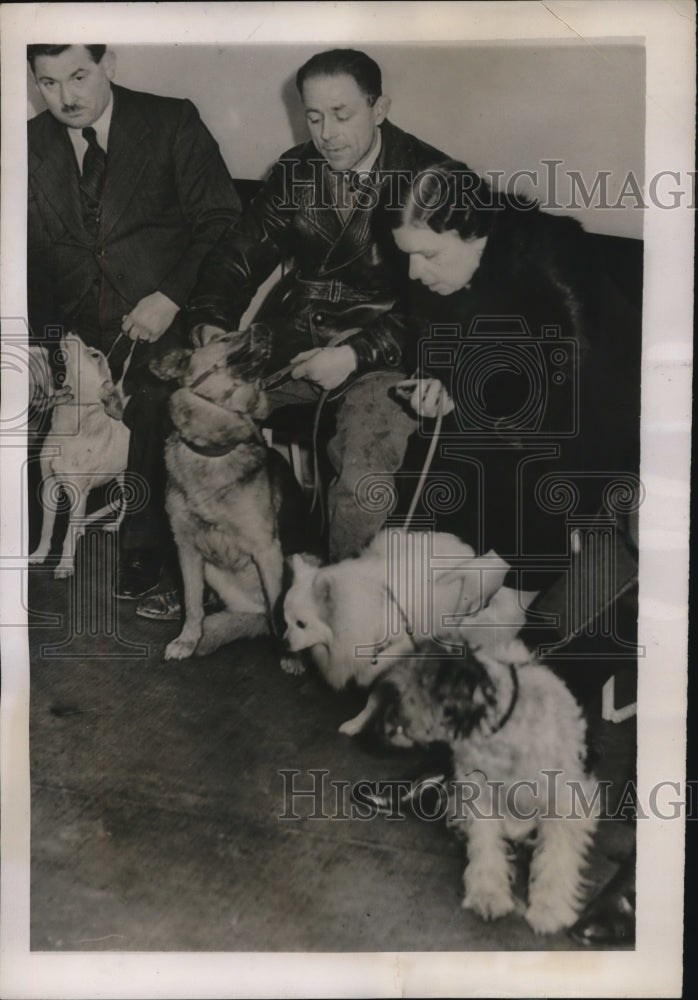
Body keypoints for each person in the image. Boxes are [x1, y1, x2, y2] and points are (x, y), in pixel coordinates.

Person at [390, 160, 641, 945]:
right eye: (405, 253)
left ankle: (549, 758)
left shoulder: (552, 267)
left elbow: (582, 400)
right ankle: (473, 735)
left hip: (601, 463)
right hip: (523, 454)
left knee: (547, 622)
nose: (411, 269)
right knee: (428, 518)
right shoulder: (467, 273)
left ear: (477, 232)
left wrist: (475, 399)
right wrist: (443, 388)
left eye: (427, 254)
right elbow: (469, 363)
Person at [141, 48, 451, 621]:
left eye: (342, 114)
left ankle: (339, 610)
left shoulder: (434, 182)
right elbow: (239, 256)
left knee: (363, 472)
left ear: (379, 107)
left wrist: (354, 355)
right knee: (187, 412)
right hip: (289, 336)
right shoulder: (295, 171)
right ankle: (191, 571)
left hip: (386, 353)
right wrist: (212, 317)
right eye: (314, 117)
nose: (326, 134)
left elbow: (433, 305)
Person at [27, 44, 242, 601]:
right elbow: (21, 255)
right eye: (48, 83)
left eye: (78, 76)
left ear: (110, 65)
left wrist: (170, 296)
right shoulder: (26, 145)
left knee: (150, 397)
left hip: (161, 318)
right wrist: (36, 342)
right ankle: (27, 529)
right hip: (68, 325)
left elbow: (221, 220)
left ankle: (144, 546)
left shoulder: (171, 122)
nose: (66, 97)